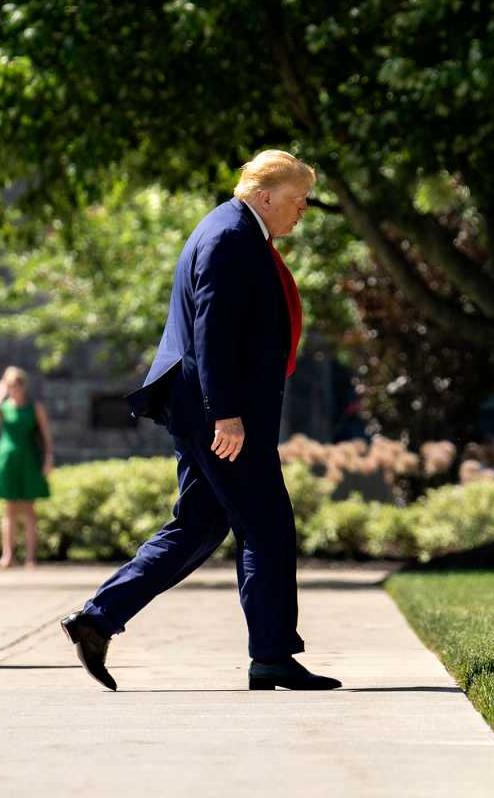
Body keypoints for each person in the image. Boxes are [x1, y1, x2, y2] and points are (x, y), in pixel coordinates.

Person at [60, 150, 340, 691]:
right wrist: (226, 416)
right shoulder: (231, 236)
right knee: (266, 523)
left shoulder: (235, 229)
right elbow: (210, 334)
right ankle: (273, 656)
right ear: (265, 196)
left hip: (207, 411)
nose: (303, 209)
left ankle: (98, 618)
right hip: (220, 414)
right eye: (297, 199)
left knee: (200, 524)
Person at [0, 366, 53, 569]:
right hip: (6, 459)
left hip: (29, 458)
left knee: (30, 510)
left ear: (24, 385)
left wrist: (49, 459)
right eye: (10, 384)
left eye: (17, 384)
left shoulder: (34, 407)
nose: (15, 388)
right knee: (10, 510)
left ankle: (31, 558)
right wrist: (0, 394)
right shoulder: (4, 407)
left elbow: (46, 435)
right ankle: (8, 555)